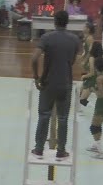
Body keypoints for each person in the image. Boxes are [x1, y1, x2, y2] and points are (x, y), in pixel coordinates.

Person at [31, 10, 80, 160]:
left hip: (48, 83)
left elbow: (34, 59)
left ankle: (39, 149)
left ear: (54, 21)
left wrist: (36, 77)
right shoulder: (74, 39)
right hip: (65, 83)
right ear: (67, 22)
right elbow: (72, 61)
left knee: (44, 115)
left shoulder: (46, 37)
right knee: (63, 118)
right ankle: (61, 151)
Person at [79, 40, 103, 111]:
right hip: (91, 79)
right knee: (80, 94)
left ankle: (97, 108)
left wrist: (84, 76)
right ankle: (81, 110)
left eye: (91, 45)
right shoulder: (99, 58)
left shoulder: (91, 58)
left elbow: (92, 72)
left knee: (82, 100)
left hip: (90, 80)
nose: (89, 46)